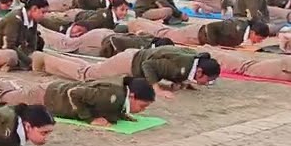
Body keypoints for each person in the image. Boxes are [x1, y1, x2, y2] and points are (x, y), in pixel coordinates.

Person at [0, 66, 156, 127]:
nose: (142, 110)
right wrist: (89, 119)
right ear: (133, 96)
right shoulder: (111, 95)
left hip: (50, 92)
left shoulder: (119, 96)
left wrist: (124, 115)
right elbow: (75, 93)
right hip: (46, 96)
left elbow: (111, 108)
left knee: (8, 93)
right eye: (143, 105)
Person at [34, 45, 221, 96]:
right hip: (129, 62)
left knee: (90, 69)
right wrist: (156, 88)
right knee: (86, 75)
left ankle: (53, 57)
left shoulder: (192, 60)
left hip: (133, 58)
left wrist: (181, 83)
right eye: (208, 80)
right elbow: (149, 66)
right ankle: (45, 60)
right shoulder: (182, 65)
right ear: (199, 72)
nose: (207, 83)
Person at [0, 0, 47, 70]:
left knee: (37, 53)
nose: (44, 16)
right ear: (34, 9)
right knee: (12, 56)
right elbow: (10, 45)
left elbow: (32, 45)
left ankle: (16, 65)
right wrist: (29, 61)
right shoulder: (14, 19)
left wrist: (31, 56)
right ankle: (13, 65)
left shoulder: (33, 21)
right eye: (43, 12)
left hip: (9, 50)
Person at [127, 17, 271, 48]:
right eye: (260, 39)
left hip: (199, 35)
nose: (259, 41)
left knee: (168, 32)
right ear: (254, 33)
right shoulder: (237, 28)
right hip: (196, 34)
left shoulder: (243, 31)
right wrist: (213, 45)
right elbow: (212, 27)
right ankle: (138, 23)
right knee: (166, 34)